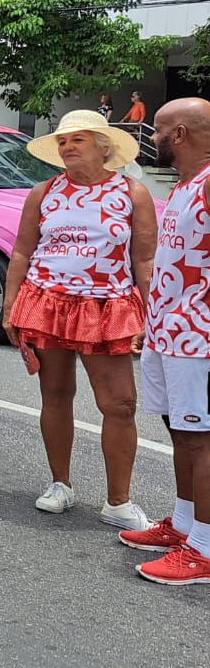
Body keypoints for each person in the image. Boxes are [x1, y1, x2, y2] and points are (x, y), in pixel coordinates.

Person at [5, 109, 155, 531]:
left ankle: (119, 501)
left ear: (103, 147)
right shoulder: (43, 192)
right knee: (55, 396)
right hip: (47, 303)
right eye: (63, 142)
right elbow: (21, 251)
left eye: (79, 140)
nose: (68, 148)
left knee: (120, 404)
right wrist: (11, 306)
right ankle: (60, 484)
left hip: (108, 306)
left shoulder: (132, 193)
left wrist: (151, 312)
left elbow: (144, 258)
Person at [126, 97, 210, 583]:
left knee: (202, 438)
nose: (151, 139)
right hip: (169, 330)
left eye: (156, 131)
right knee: (182, 431)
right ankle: (183, 524)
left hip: (199, 336)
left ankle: (204, 546)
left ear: (178, 135)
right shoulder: (184, 185)